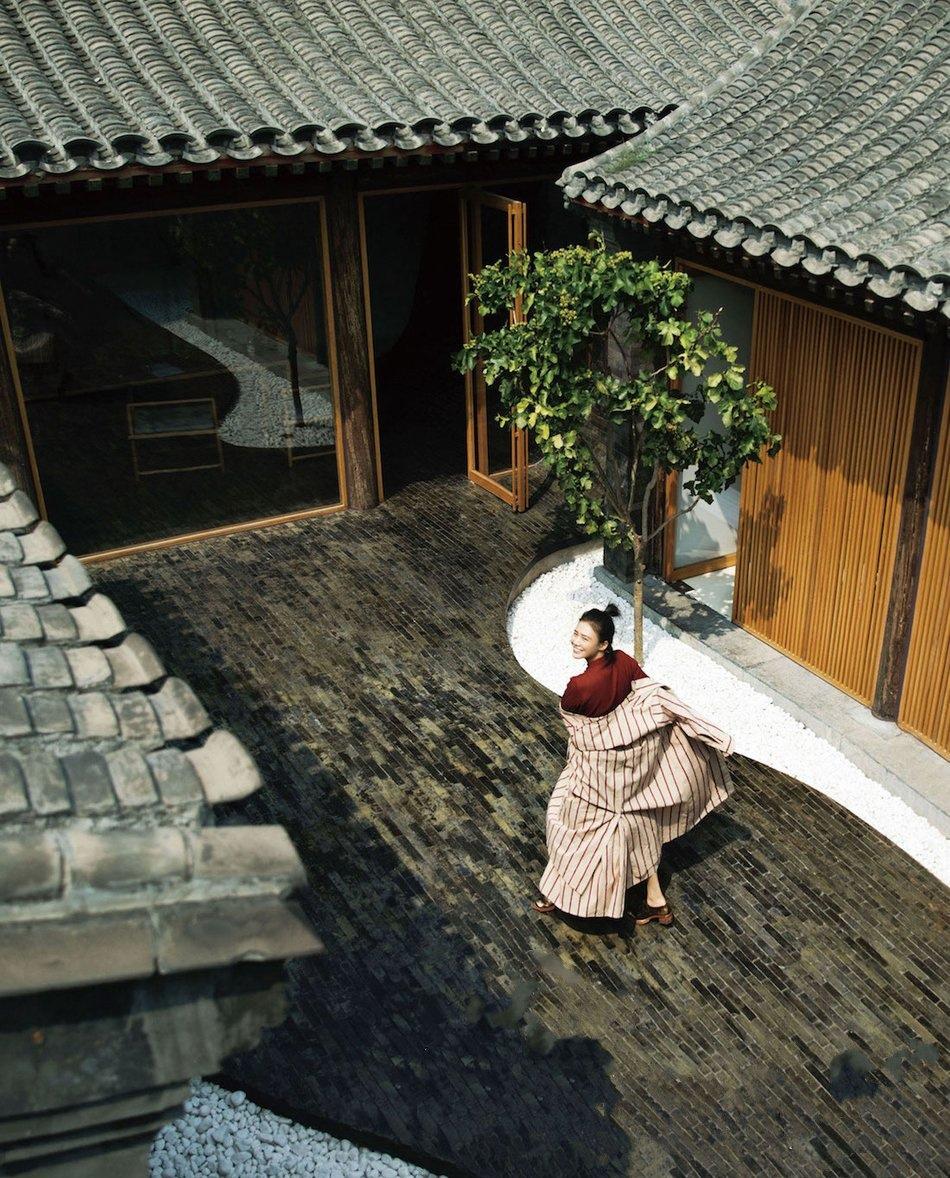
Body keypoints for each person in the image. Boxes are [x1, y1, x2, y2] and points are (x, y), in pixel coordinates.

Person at [533, 603, 734, 927]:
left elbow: (580, 731)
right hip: (631, 775)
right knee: (637, 826)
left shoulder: (578, 688)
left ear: (602, 645)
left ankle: (556, 893)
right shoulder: (625, 663)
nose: (575, 641)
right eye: (575, 633)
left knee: (569, 828)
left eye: (583, 637)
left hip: (596, 779)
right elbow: (654, 696)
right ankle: (655, 901)